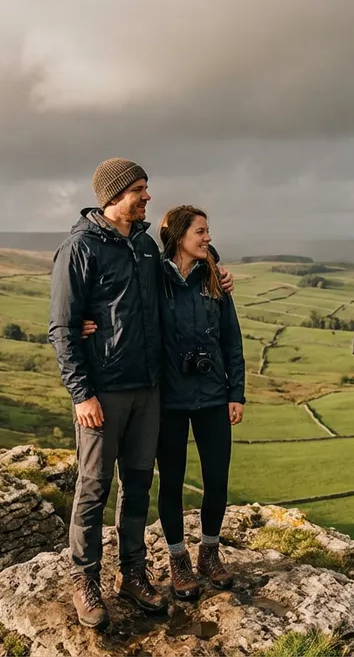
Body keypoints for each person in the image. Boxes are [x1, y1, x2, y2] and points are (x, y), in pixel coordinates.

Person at [48, 158, 235, 629]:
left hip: (149, 390)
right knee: (93, 487)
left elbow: (177, 283)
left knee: (138, 485)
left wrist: (217, 270)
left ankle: (133, 572)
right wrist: (81, 393)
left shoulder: (147, 247)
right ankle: (85, 580)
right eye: (140, 190)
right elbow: (63, 327)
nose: (148, 197)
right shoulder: (79, 248)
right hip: (103, 392)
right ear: (115, 195)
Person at [82, 205, 245, 601]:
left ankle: (209, 552)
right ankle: (178, 560)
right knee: (170, 483)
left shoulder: (214, 279)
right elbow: (123, 303)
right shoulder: (154, 275)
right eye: (200, 231)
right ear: (178, 236)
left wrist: (235, 392)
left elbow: (231, 339)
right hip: (168, 398)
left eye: (208, 232)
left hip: (211, 396)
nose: (208, 238)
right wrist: (87, 319)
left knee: (217, 479)